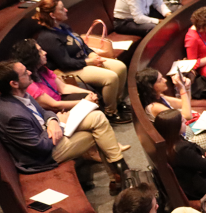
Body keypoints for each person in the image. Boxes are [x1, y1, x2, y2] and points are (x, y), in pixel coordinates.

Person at [0, 60, 128, 190]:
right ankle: (121, 175)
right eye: (24, 73)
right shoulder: (12, 115)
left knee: (97, 117)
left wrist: (53, 121)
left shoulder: (22, 94)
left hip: (49, 133)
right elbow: (40, 146)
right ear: (14, 83)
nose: (30, 72)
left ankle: (120, 174)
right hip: (43, 157)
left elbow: (44, 112)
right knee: (95, 134)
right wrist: (60, 122)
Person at [35, 0, 131, 124]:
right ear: (52, 15)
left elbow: (81, 44)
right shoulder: (48, 37)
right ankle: (111, 112)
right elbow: (65, 63)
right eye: (61, 9)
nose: (66, 10)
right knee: (110, 77)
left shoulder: (63, 27)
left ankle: (118, 102)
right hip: (67, 70)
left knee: (120, 67)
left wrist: (91, 55)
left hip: (82, 61)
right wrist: (88, 62)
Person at [12, 39, 98, 112]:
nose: (45, 53)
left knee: (91, 94)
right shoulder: (28, 83)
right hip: (56, 114)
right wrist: (85, 102)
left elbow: (63, 88)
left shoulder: (42, 70)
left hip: (61, 101)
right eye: (40, 51)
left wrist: (88, 93)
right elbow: (54, 105)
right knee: (93, 110)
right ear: (31, 57)